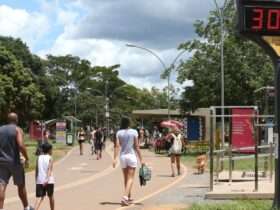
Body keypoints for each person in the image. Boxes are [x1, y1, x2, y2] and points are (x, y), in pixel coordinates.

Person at [0, 113, 34, 210]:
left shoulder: (0, 129)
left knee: (1, 185)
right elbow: (21, 145)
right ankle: (26, 207)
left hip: (2, 162)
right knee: (21, 185)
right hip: (15, 162)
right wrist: (27, 158)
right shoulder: (17, 129)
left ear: (8, 120)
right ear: (17, 120)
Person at [113, 117, 144, 206]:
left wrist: (115, 159)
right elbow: (137, 147)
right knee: (131, 178)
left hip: (122, 156)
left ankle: (128, 196)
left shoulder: (119, 132)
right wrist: (141, 159)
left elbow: (117, 146)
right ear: (129, 123)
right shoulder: (134, 132)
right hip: (131, 156)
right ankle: (125, 197)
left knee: (126, 178)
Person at [34, 142, 55, 210]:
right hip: (49, 181)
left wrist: (36, 180)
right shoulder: (50, 158)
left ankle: (35, 208)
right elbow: (49, 169)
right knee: (51, 196)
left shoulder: (39, 158)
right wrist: (47, 179)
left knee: (39, 198)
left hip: (39, 180)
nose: (52, 151)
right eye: (51, 149)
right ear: (49, 150)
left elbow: (36, 170)